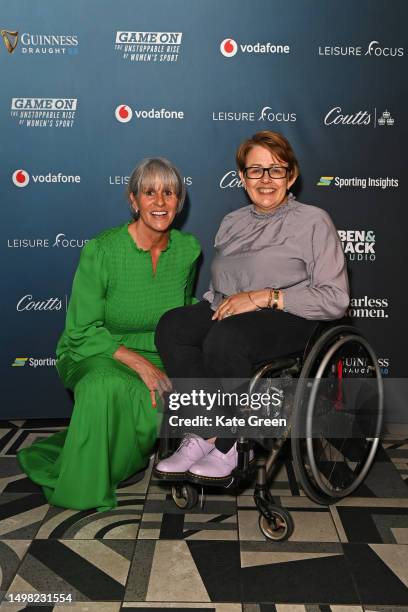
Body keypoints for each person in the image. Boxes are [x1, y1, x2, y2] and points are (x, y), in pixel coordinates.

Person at [154, 130, 350, 484]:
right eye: (255, 170)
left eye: (275, 170)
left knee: (226, 338)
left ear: (291, 175)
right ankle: (205, 431)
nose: (265, 180)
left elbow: (335, 298)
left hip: (289, 314)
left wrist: (265, 297)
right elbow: (219, 287)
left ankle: (231, 444)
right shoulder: (233, 222)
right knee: (173, 326)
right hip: (231, 309)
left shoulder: (313, 221)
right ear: (242, 177)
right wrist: (216, 309)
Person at [18, 158, 201, 511]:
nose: (160, 202)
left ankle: (118, 460)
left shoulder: (188, 250)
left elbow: (181, 314)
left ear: (179, 201)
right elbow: (81, 328)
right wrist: (137, 363)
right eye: (150, 192)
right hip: (95, 350)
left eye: (169, 192)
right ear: (133, 200)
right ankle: (87, 481)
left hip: (158, 351)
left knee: (160, 398)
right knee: (104, 386)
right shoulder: (101, 251)